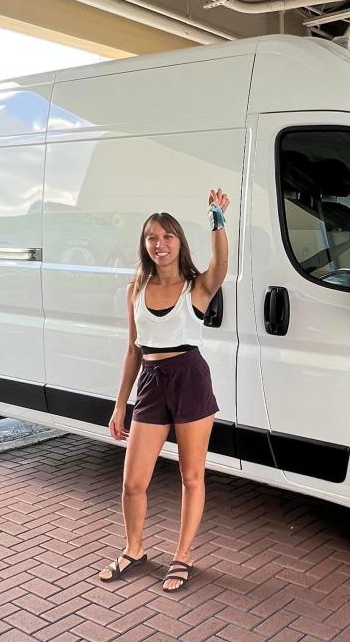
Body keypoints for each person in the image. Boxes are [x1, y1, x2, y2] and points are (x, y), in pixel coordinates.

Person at [99, 188, 230, 592]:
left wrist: (217, 221)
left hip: (189, 376)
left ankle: (182, 555)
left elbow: (221, 264)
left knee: (191, 477)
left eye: (167, 236)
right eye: (152, 237)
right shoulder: (135, 288)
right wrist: (120, 405)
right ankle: (134, 548)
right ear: (145, 244)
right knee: (132, 482)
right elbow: (132, 349)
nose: (160, 244)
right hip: (151, 383)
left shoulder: (198, 286)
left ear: (179, 242)